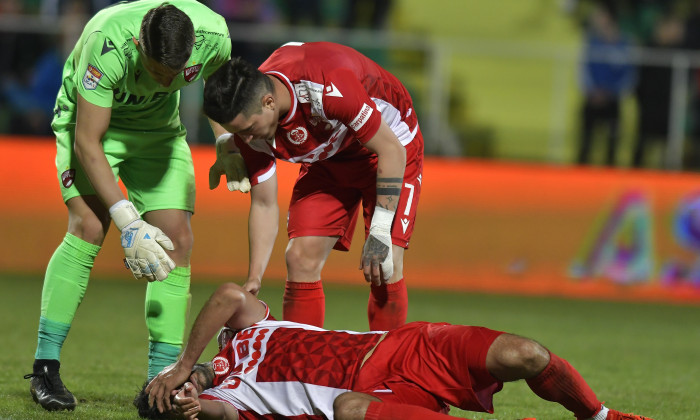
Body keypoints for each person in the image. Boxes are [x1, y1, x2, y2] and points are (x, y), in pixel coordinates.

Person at [23, 0, 237, 412]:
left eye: (175, 74)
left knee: (177, 241)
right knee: (88, 226)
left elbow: (218, 85)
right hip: (92, 125)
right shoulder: (108, 44)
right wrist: (128, 221)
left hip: (158, 133)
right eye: (158, 72)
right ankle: (45, 367)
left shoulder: (213, 36)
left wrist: (225, 140)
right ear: (140, 45)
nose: (165, 81)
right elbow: (89, 141)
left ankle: (160, 384)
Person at [137, 282, 653, 420]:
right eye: (170, 397)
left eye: (163, 386)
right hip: (372, 395)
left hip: (404, 347)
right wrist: (191, 408)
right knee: (347, 409)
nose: (176, 388)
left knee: (527, 353)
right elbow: (219, 414)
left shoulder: (241, 333)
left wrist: (182, 363)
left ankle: (601, 415)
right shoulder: (235, 400)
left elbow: (229, 294)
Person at [203, 42, 424, 332]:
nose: (245, 140)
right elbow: (264, 203)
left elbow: (391, 151)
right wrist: (254, 278)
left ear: (270, 102)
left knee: (385, 265)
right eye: (237, 133)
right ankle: (300, 367)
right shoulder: (252, 117)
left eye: (247, 130)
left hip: (389, 145)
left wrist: (381, 229)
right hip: (331, 155)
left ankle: (386, 368)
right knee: (299, 258)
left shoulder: (327, 86)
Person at [576, 4, 636, 167]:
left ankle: (610, 177)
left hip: (612, 100)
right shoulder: (591, 42)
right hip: (592, 98)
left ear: (608, 18)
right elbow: (583, 69)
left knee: (612, 143)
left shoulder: (625, 44)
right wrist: (592, 91)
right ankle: (579, 177)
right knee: (585, 141)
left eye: (599, 15)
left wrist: (612, 93)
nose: (595, 19)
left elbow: (630, 75)